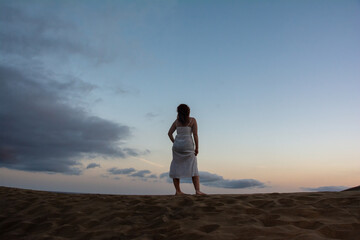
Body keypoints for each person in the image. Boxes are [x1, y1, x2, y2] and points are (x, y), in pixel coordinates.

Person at [168, 104, 205, 195]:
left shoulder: (176, 122)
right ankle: (197, 190)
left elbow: (169, 133)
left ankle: (178, 191)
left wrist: (175, 142)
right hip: (188, 145)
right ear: (188, 111)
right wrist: (197, 148)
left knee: (176, 166)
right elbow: (195, 135)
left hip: (177, 146)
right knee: (193, 167)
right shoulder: (192, 120)